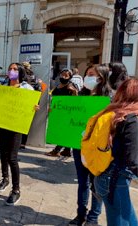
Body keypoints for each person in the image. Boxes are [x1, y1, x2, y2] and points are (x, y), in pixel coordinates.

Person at [69, 64, 110, 226]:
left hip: (97, 150)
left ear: (101, 78)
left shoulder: (109, 100)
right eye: (87, 74)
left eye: (92, 74)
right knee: (82, 183)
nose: (88, 77)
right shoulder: (81, 97)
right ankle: (81, 214)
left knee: (96, 184)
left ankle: (93, 217)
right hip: (79, 147)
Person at [94, 78, 138, 225]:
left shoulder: (111, 113)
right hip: (114, 181)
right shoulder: (131, 119)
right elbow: (133, 159)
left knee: (130, 221)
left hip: (104, 176)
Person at [0, 62, 37, 206]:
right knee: (3, 154)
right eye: (10, 68)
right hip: (2, 125)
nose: (11, 71)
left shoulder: (27, 88)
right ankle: (5, 178)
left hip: (16, 127)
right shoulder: (3, 87)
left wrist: (34, 107)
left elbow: (31, 106)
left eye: (14, 69)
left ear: (20, 72)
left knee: (12, 157)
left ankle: (16, 190)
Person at [45, 68, 78, 157]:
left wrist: (74, 91)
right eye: (62, 75)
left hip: (67, 113)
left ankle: (56, 150)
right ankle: (67, 150)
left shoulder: (71, 86)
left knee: (63, 132)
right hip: (58, 112)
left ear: (70, 77)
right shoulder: (58, 86)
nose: (63, 77)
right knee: (62, 131)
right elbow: (53, 98)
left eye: (66, 75)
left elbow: (77, 101)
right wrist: (51, 107)